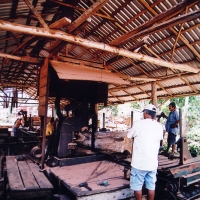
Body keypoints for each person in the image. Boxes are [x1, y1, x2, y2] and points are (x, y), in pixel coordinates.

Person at [127, 104, 163, 200]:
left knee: (137, 186)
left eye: (144, 112)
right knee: (151, 186)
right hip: (152, 163)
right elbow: (159, 139)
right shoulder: (159, 126)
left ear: (146, 113)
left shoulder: (138, 124)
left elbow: (128, 136)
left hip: (139, 163)